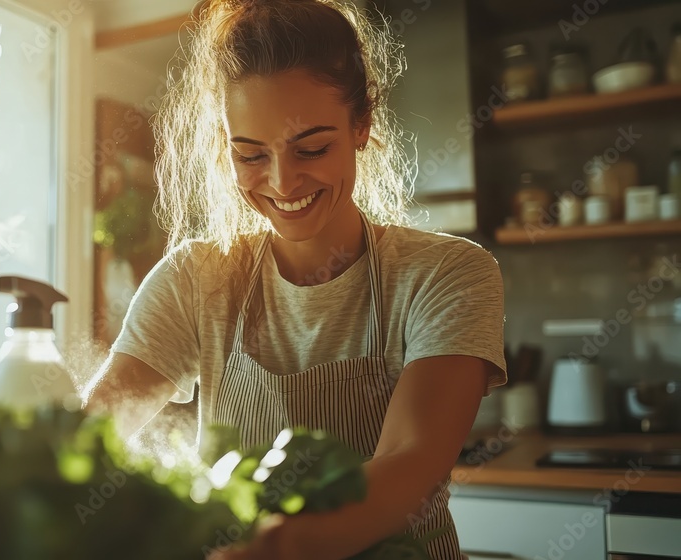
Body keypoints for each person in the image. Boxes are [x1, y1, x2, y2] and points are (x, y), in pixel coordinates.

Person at [84, 0, 507, 558]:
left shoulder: (447, 274)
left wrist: (276, 547)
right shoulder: (196, 279)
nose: (283, 183)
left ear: (363, 124)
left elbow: (410, 461)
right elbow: (92, 437)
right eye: (251, 154)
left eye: (312, 148)